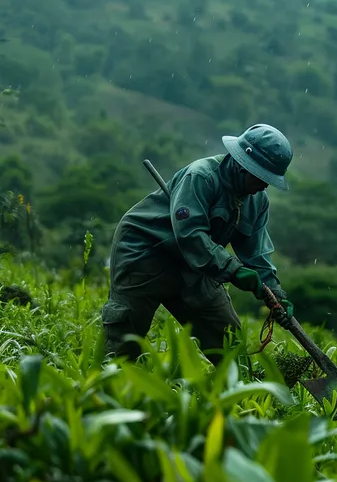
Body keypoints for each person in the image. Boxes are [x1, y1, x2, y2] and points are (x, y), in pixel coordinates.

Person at [100, 123, 295, 365]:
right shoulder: (201, 177)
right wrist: (234, 270)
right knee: (123, 344)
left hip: (199, 263)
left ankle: (233, 399)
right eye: (261, 177)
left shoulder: (257, 201)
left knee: (229, 345)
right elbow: (190, 235)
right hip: (146, 252)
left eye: (270, 179)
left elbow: (257, 254)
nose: (265, 185)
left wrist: (274, 292)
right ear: (243, 165)